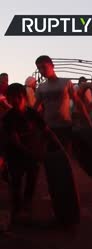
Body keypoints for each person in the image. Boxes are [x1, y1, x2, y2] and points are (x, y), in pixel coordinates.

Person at [2, 83, 57, 224]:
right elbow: (15, 141)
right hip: (15, 155)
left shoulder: (32, 114)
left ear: (24, 97)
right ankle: (17, 208)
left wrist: (57, 144)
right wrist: (33, 154)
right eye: (11, 98)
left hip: (32, 152)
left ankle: (27, 204)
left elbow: (45, 130)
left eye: (18, 97)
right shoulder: (8, 118)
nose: (16, 101)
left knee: (32, 180)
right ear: (8, 99)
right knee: (16, 181)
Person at [33, 55, 92, 152]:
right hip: (48, 127)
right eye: (39, 68)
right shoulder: (41, 87)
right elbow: (35, 107)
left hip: (65, 125)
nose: (42, 71)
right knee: (52, 155)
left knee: (66, 154)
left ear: (52, 66)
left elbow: (77, 101)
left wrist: (87, 118)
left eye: (44, 67)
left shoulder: (65, 83)